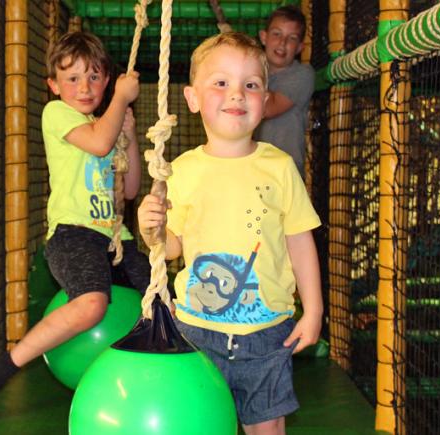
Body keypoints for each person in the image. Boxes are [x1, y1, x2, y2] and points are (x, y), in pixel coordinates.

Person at [138, 32, 322, 435]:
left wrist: (314, 309)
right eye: (221, 83)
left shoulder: (280, 167)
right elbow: (171, 248)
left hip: (267, 331)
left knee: (267, 428)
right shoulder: (181, 171)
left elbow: (300, 240)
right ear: (192, 99)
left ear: (265, 100)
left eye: (251, 85)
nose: (236, 94)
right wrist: (151, 227)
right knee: (199, 423)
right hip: (196, 330)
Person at [0, 31, 148, 411]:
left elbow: (129, 189)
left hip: (115, 237)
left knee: (162, 303)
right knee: (93, 304)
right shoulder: (57, 114)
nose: (84, 87)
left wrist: (130, 138)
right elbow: (96, 142)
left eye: (94, 77)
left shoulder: (104, 123)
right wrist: (120, 103)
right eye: (73, 78)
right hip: (73, 235)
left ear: (106, 79)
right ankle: (5, 366)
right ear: (54, 85)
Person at [253, 5, 314, 179]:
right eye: (277, 34)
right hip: (254, 169)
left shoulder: (302, 75)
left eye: (292, 38)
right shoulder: (255, 73)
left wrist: (248, 69)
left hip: (286, 173)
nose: (282, 43)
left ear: (300, 47)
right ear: (263, 37)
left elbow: (267, 107)